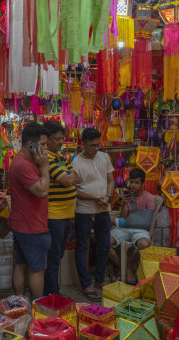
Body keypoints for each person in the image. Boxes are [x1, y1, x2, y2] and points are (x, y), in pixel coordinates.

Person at [9, 122, 51, 300]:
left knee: (21, 264)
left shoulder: (22, 161)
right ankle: (36, 307)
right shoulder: (24, 165)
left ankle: (19, 303)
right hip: (32, 226)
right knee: (37, 269)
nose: (45, 148)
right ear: (30, 145)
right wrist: (45, 167)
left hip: (22, 224)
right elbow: (42, 191)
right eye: (42, 145)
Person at [72, 128, 115, 302]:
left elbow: (111, 181)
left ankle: (99, 279)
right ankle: (85, 284)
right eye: (92, 146)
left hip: (103, 210)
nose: (96, 149)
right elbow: (74, 191)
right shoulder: (76, 163)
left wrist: (108, 197)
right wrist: (95, 198)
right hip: (84, 211)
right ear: (83, 144)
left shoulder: (104, 157)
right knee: (82, 247)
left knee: (104, 245)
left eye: (98, 145)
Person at [43, 120, 80, 296]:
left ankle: (53, 293)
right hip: (54, 216)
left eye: (62, 139)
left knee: (57, 256)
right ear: (47, 139)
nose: (60, 142)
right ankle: (51, 295)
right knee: (53, 258)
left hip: (65, 215)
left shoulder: (60, 158)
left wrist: (69, 177)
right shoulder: (47, 158)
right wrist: (68, 177)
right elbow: (68, 180)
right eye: (56, 139)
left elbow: (76, 176)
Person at [108, 168, 156, 284]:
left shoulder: (149, 198)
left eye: (136, 183)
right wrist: (124, 204)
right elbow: (123, 218)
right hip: (126, 228)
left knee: (144, 244)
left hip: (141, 230)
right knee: (104, 242)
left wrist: (128, 221)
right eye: (132, 182)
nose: (133, 185)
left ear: (143, 183)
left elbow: (146, 223)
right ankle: (127, 269)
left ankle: (127, 266)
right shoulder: (129, 197)